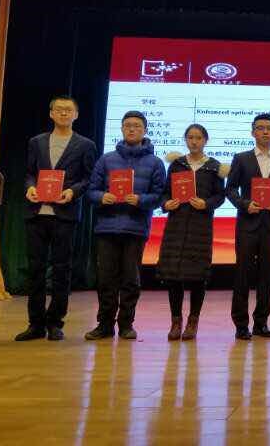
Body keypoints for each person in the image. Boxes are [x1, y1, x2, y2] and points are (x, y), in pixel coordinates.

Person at [15, 96, 97, 342]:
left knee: (62, 270)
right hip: (36, 214)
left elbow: (89, 178)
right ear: (51, 113)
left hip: (65, 215)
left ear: (76, 115)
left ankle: (55, 323)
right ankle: (35, 324)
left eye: (68, 110)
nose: (63, 113)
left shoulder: (85, 145)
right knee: (36, 270)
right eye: (59, 109)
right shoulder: (36, 142)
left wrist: (72, 192)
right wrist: (30, 187)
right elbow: (29, 173)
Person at [84, 110, 166, 340]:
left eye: (137, 126)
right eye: (127, 125)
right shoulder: (106, 159)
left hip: (135, 228)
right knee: (106, 279)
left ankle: (127, 324)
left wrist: (141, 200)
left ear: (145, 130)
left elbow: (159, 196)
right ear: (121, 129)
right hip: (106, 228)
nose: (132, 129)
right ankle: (104, 325)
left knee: (131, 280)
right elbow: (91, 190)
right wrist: (102, 197)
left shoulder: (155, 162)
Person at [158, 124, 227, 341]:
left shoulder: (214, 167)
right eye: (190, 137)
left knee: (198, 277)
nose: (194, 141)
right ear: (186, 140)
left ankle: (193, 321)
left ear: (205, 140)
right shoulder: (177, 165)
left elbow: (220, 196)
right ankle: (175, 321)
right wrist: (166, 203)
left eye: (198, 137)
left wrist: (206, 204)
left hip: (201, 227)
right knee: (173, 277)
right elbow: (164, 192)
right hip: (176, 225)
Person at [225, 113, 270, 340]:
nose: (265, 131)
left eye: (269, 128)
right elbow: (230, 189)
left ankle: (261, 323)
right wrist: (244, 204)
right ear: (253, 132)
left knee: (266, 276)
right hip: (247, 225)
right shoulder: (241, 158)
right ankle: (241, 324)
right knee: (243, 275)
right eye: (260, 128)